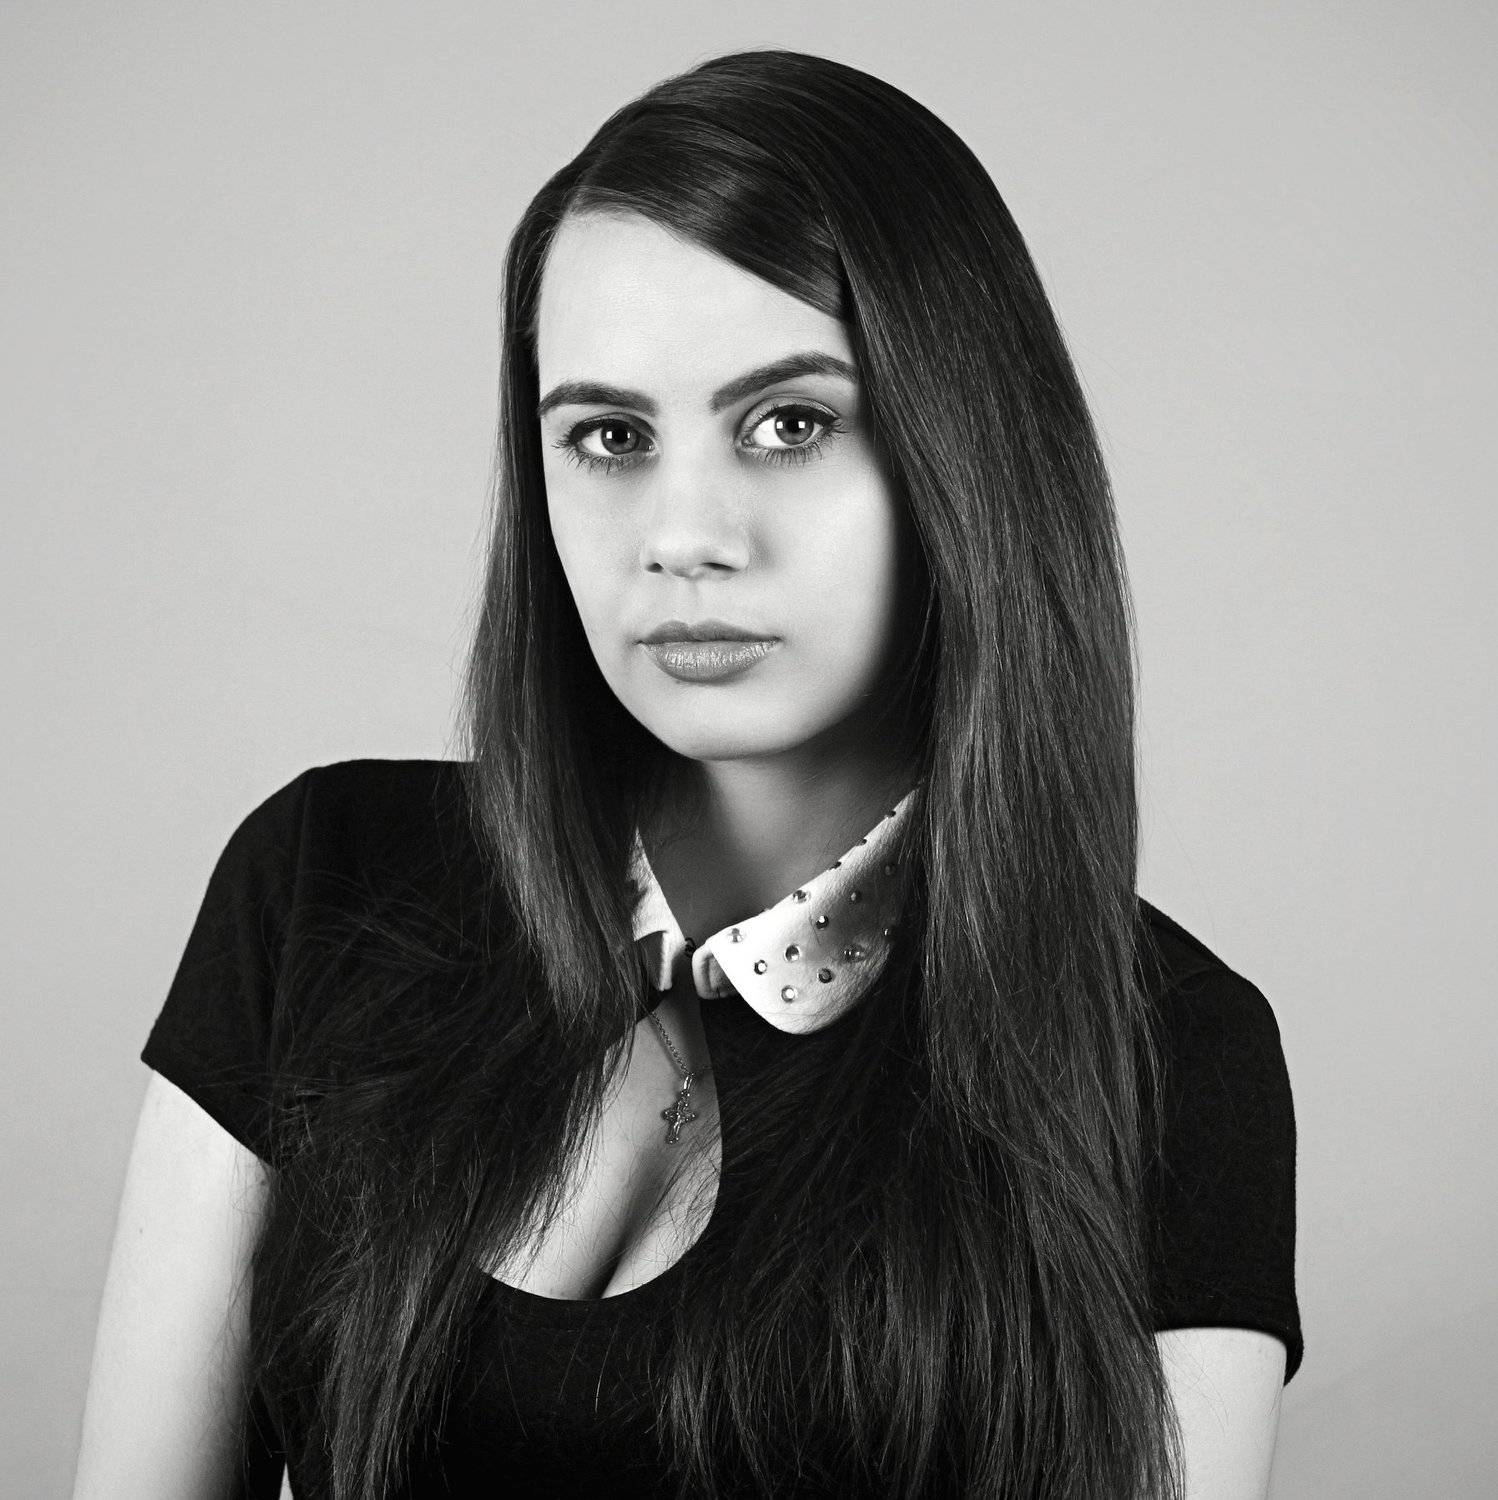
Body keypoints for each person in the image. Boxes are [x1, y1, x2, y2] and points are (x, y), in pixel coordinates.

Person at [73, 47, 1301, 1500]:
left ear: (965, 453)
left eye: (790, 423)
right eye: (608, 437)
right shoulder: (323, 883)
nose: (683, 536)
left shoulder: (1168, 1060)